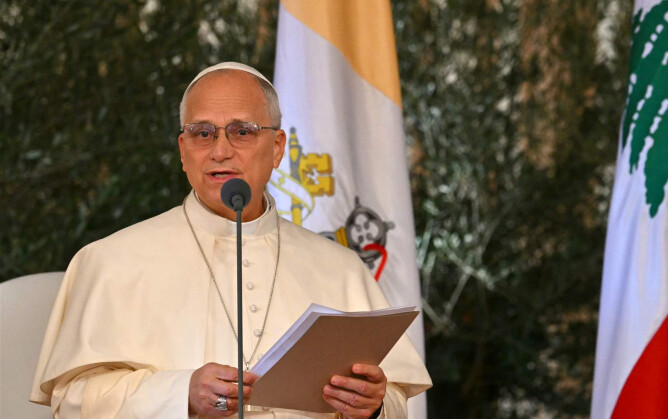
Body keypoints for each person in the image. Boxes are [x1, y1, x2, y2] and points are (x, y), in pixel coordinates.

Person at [30, 62, 431, 418]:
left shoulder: (339, 268)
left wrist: (373, 406)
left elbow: (395, 398)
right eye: (202, 133)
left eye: (242, 132)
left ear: (277, 148)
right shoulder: (111, 261)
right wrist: (180, 394)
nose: (220, 150)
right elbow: (72, 403)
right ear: (183, 151)